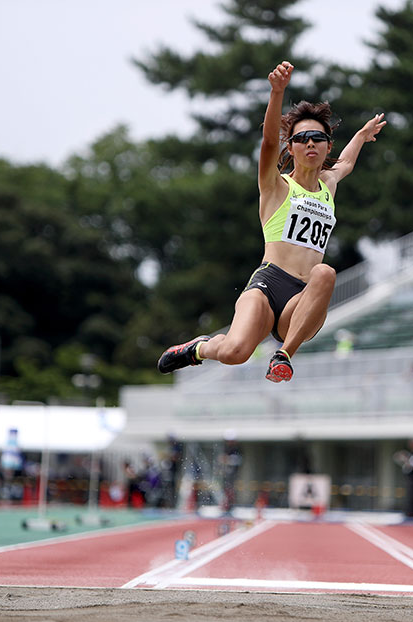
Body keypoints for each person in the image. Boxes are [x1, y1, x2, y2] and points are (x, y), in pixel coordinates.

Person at [157, 60, 387, 383]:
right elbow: (267, 143)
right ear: (291, 147)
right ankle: (199, 348)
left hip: (303, 300)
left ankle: (284, 355)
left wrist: (362, 136)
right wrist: (276, 92)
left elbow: (346, 163)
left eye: (317, 138)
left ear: (327, 147)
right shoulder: (276, 185)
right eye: (302, 137)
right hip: (269, 283)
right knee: (234, 353)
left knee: (325, 272)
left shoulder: (329, 185)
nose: (310, 143)